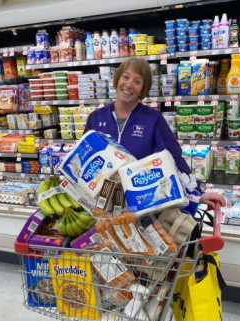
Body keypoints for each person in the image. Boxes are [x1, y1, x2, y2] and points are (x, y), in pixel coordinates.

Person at [84, 56, 226, 211]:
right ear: (117, 80)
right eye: (125, 77)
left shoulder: (152, 118)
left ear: (143, 90)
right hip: (99, 204)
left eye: (137, 81)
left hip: (139, 203)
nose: (129, 85)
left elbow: (174, 156)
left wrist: (198, 193)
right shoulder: (96, 118)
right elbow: (83, 158)